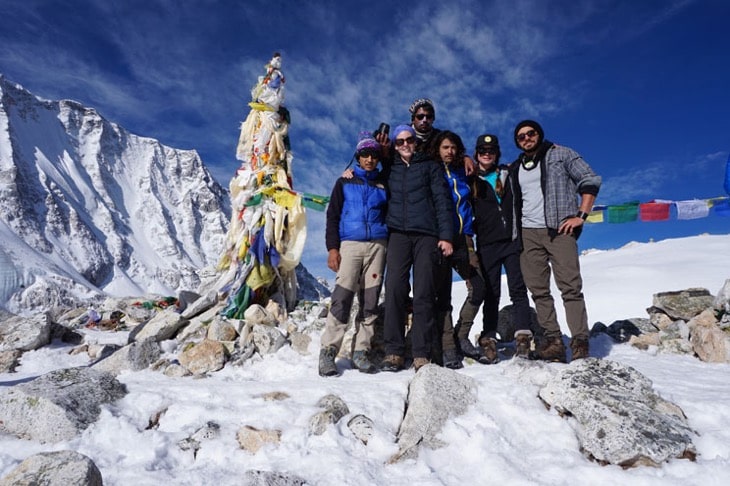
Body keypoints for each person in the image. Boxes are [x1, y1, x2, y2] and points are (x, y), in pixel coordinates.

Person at [511, 120, 601, 362]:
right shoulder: (516, 166)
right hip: (528, 233)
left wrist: (581, 215)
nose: (527, 138)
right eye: (521, 137)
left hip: (559, 228)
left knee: (570, 287)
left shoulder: (561, 153)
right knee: (538, 290)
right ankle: (553, 341)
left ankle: (580, 342)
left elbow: (590, 179)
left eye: (531, 133)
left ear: (539, 134)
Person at [380, 125, 454, 372]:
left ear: (415, 142)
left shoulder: (430, 166)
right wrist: (350, 173)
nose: (405, 145)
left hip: (427, 235)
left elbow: (443, 202)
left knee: (423, 292)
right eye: (399, 142)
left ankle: (421, 353)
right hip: (398, 234)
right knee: (394, 288)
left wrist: (446, 236)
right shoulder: (390, 168)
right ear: (394, 145)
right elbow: (367, 166)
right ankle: (394, 352)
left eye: (409, 140)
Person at [319, 132, 388, 376]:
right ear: (357, 157)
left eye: (374, 155)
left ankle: (361, 352)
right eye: (364, 155)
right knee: (342, 298)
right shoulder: (344, 182)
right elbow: (333, 216)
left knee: (370, 300)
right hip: (350, 245)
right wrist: (332, 249)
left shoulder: (383, 183)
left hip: (378, 245)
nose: (369, 159)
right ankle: (328, 351)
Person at [469, 134, 533, 362]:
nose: (487, 155)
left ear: (497, 154)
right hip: (487, 244)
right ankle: (488, 338)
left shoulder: (509, 174)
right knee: (491, 292)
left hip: (511, 241)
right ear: (477, 154)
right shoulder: (471, 179)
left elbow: (528, 159)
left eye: (491, 151)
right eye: (482, 151)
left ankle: (523, 336)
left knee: (517, 288)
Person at [430, 131, 490, 368]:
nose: (449, 151)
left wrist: (467, 159)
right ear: (437, 149)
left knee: (478, 287)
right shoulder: (431, 171)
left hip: (465, 238)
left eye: (454, 147)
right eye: (445, 147)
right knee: (442, 293)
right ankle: (447, 348)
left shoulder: (463, 172)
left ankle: (461, 334)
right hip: (440, 238)